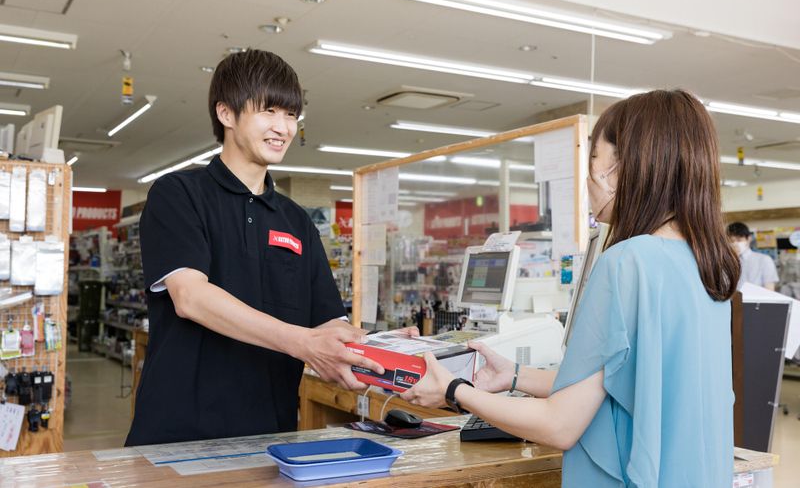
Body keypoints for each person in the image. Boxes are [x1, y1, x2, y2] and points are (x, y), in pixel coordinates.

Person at [402, 89, 740, 487]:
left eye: (593, 159)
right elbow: (620, 384)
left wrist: (453, 389)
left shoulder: (626, 262)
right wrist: (513, 376)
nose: (588, 181)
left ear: (621, 167)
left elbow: (561, 425)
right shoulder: (710, 266)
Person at [126, 50, 409, 446]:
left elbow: (326, 321)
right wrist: (302, 343)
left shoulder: (297, 221)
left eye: (291, 115)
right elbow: (190, 296)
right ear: (226, 114)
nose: (283, 127)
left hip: (269, 435)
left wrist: (386, 350)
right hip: (178, 434)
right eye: (269, 110)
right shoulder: (178, 194)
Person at [727, 221, 779, 291]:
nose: (735, 244)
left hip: (757, 300)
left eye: (739, 240)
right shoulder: (726, 262)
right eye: (731, 241)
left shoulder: (764, 260)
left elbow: (770, 289)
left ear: (749, 239)